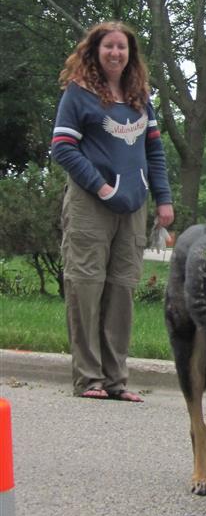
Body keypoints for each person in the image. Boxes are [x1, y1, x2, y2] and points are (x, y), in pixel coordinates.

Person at [51, 21, 174, 401]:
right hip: (91, 204)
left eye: (122, 47)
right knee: (86, 288)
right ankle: (89, 379)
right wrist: (101, 186)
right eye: (109, 47)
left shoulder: (139, 97)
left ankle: (116, 380)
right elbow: (62, 147)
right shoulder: (79, 93)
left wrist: (163, 199)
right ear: (95, 51)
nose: (116, 53)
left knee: (121, 290)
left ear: (130, 54)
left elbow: (153, 151)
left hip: (133, 207)